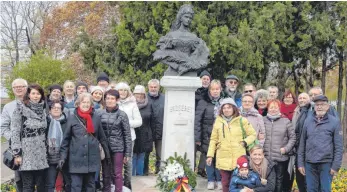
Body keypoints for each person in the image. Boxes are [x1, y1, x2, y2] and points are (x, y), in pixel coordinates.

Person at [59, 93, 111, 192]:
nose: (86, 104)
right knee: (76, 186)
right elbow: (66, 140)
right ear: (78, 103)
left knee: (90, 186)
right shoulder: (72, 117)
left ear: (91, 104)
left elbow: (102, 137)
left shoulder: (96, 117)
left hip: (91, 158)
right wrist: (62, 157)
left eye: (88, 102)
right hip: (76, 158)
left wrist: (107, 155)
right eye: (83, 102)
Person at [207, 98, 256, 192]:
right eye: (224, 108)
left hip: (238, 158)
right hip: (223, 158)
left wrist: (245, 142)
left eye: (229, 107)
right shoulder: (218, 121)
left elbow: (253, 134)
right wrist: (210, 155)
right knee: (225, 184)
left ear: (234, 108)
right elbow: (213, 140)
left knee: (238, 184)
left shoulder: (242, 120)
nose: (226, 110)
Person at [298, 95, 343, 192]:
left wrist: (336, 166)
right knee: (311, 190)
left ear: (327, 107)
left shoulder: (334, 122)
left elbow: (339, 147)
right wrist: (300, 163)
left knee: (325, 190)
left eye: (322, 104)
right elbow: (302, 143)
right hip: (310, 163)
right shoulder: (308, 121)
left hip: (326, 163)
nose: (319, 107)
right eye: (317, 105)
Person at [11, 84, 49, 191]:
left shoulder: (44, 110)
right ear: (28, 95)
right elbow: (15, 132)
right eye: (33, 93)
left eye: (38, 93)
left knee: (42, 185)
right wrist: (17, 153)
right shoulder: (20, 110)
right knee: (28, 186)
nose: (36, 96)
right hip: (26, 153)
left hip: (41, 153)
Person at [99, 89, 132, 192]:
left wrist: (127, 153)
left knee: (117, 173)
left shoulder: (122, 115)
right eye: (107, 98)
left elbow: (127, 134)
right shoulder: (99, 114)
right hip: (105, 148)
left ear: (117, 100)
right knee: (106, 173)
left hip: (118, 148)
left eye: (112, 98)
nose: (109, 100)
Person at [195, 80, 224, 190]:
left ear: (220, 89)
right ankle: (211, 179)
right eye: (213, 89)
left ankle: (219, 179)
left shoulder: (224, 102)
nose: (215, 91)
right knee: (209, 158)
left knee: (219, 158)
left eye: (217, 89)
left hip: (221, 135)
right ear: (209, 90)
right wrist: (198, 138)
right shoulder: (203, 102)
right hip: (207, 135)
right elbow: (198, 120)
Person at [263, 99, 296, 192]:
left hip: (280, 158)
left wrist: (286, 149)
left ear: (279, 108)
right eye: (271, 107)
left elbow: (293, 138)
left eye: (275, 107)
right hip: (266, 157)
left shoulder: (285, 121)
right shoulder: (263, 120)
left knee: (279, 180)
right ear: (268, 108)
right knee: (266, 180)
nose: (273, 109)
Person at [1, 78, 28, 192]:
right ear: (13, 90)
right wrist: (13, 139)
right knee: (20, 179)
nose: (19, 89)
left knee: (37, 179)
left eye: (21, 86)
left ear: (26, 88)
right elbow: (2, 127)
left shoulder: (35, 104)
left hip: (35, 148)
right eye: (16, 87)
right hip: (18, 150)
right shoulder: (8, 107)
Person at [115, 82, 142, 189]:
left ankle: (127, 184)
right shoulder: (113, 102)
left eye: (125, 90)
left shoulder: (132, 104)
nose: (123, 92)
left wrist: (126, 123)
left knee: (128, 162)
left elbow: (139, 121)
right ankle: (116, 183)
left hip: (129, 137)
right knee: (116, 161)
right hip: (115, 137)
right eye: (120, 90)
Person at [45, 100, 71, 192]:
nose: (56, 109)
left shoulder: (68, 122)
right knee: (50, 184)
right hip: (50, 158)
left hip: (66, 157)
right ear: (49, 110)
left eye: (58, 108)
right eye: (53, 107)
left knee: (69, 183)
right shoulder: (45, 122)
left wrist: (64, 156)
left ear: (62, 110)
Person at [291, 92, 311, 192]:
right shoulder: (297, 111)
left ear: (309, 99)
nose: (302, 100)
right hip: (298, 148)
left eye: (304, 98)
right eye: (300, 98)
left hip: (308, 149)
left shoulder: (310, 111)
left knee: (307, 177)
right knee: (299, 177)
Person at [132, 85, 153, 176]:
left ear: (144, 94)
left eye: (141, 94)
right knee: (133, 156)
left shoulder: (149, 104)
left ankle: (139, 176)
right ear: (133, 94)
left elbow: (153, 120)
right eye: (137, 94)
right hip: (133, 133)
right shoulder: (130, 104)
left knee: (141, 156)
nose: (139, 96)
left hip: (145, 134)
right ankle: (132, 177)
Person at [194, 70, 211, 177]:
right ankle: (191, 168)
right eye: (203, 78)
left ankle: (201, 169)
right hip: (195, 120)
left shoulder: (210, 93)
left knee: (205, 149)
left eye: (207, 79)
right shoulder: (194, 91)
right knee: (194, 148)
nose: (205, 81)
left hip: (206, 122)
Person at [146, 79, 165, 174]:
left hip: (160, 130)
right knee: (146, 153)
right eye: (151, 87)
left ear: (159, 87)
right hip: (147, 130)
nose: (153, 89)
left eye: (155, 87)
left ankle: (159, 171)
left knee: (160, 154)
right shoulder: (144, 98)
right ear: (148, 87)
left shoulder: (165, 98)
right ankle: (145, 172)